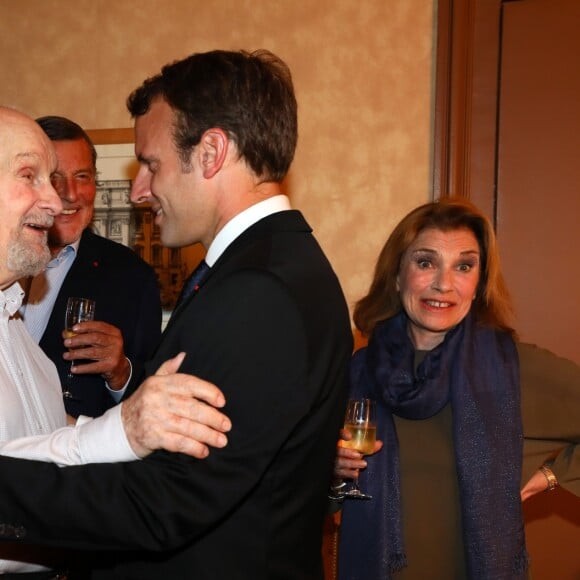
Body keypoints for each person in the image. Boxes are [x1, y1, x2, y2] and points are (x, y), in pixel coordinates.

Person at [0, 49, 353, 579]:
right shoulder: (267, 269)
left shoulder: (260, 289)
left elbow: (165, 501)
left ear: (210, 152)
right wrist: (122, 428)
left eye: (151, 163)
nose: (140, 189)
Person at [0, 104, 231, 576]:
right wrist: (122, 430)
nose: (55, 199)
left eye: (69, 177)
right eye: (32, 175)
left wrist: (130, 417)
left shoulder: (17, 332)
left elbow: (37, 444)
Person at [333, 197, 580, 579]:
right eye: (426, 262)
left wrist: (550, 477)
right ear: (397, 275)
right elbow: (312, 502)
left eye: (463, 266)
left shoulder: (514, 369)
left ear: (479, 283)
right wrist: (331, 474)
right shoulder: (357, 373)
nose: (443, 283)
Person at [19, 115, 162, 418]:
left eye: (82, 176)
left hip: (73, 460)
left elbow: (150, 402)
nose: (70, 194)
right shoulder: (7, 262)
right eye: (54, 177)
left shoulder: (132, 279)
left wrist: (121, 373)